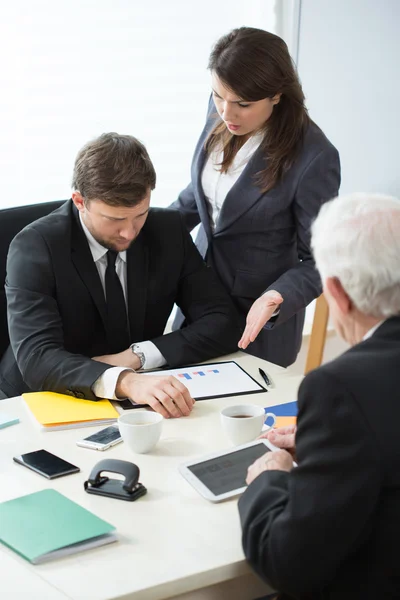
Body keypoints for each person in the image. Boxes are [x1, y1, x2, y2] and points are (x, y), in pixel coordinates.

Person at [0, 133, 240, 417]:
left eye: (140, 214)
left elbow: (222, 320)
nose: (129, 232)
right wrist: (124, 380)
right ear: (79, 201)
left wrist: (137, 357)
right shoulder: (35, 246)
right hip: (41, 399)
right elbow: (38, 358)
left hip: (136, 399)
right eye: (114, 220)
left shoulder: (167, 230)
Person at [238, 192, 400, 599]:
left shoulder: (343, 388)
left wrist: (269, 478)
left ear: (337, 294)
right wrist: (329, 445)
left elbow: (287, 563)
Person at [170, 27, 341, 367]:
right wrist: (135, 228)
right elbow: (200, 198)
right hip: (197, 304)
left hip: (255, 322)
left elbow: (321, 259)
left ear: (276, 95)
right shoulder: (223, 107)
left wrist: (275, 298)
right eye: (218, 96)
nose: (226, 113)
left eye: (243, 104)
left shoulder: (314, 157)